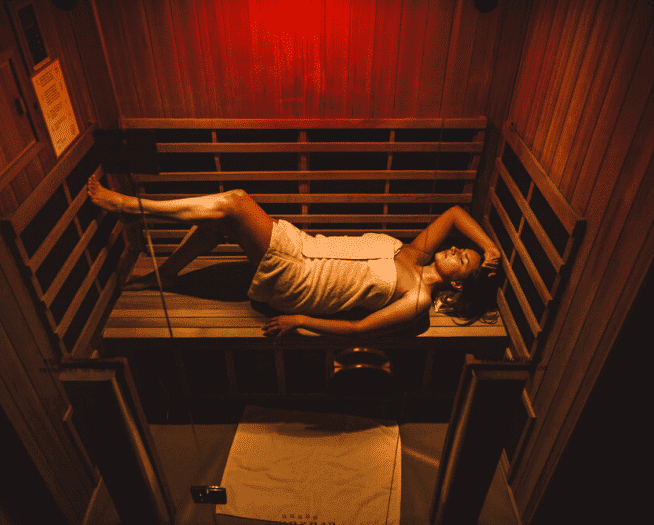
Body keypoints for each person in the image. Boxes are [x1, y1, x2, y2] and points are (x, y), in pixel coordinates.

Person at [87, 174, 501, 338]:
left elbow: (360, 329)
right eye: (459, 248)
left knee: (234, 202)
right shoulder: (413, 254)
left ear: (458, 282)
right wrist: (488, 248)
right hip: (300, 246)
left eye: (461, 259)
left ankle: (130, 207)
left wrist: (300, 320)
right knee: (223, 220)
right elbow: (454, 214)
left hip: (298, 282)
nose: (452, 249)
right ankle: (167, 276)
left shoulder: (417, 299)